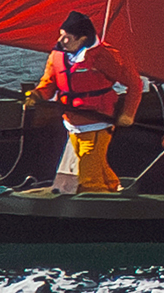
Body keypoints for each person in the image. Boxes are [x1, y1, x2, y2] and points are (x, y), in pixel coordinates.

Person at [25, 10, 142, 193]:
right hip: (71, 121)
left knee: (88, 168)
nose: (62, 41)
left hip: (97, 121)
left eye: (67, 37)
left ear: (82, 39)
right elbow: (49, 83)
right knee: (92, 161)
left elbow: (135, 84)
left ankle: (94, 198)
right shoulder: (57, 57)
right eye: (61, 35)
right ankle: (112, 187)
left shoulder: (103, 57)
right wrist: (37, 95)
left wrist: (128, 114)